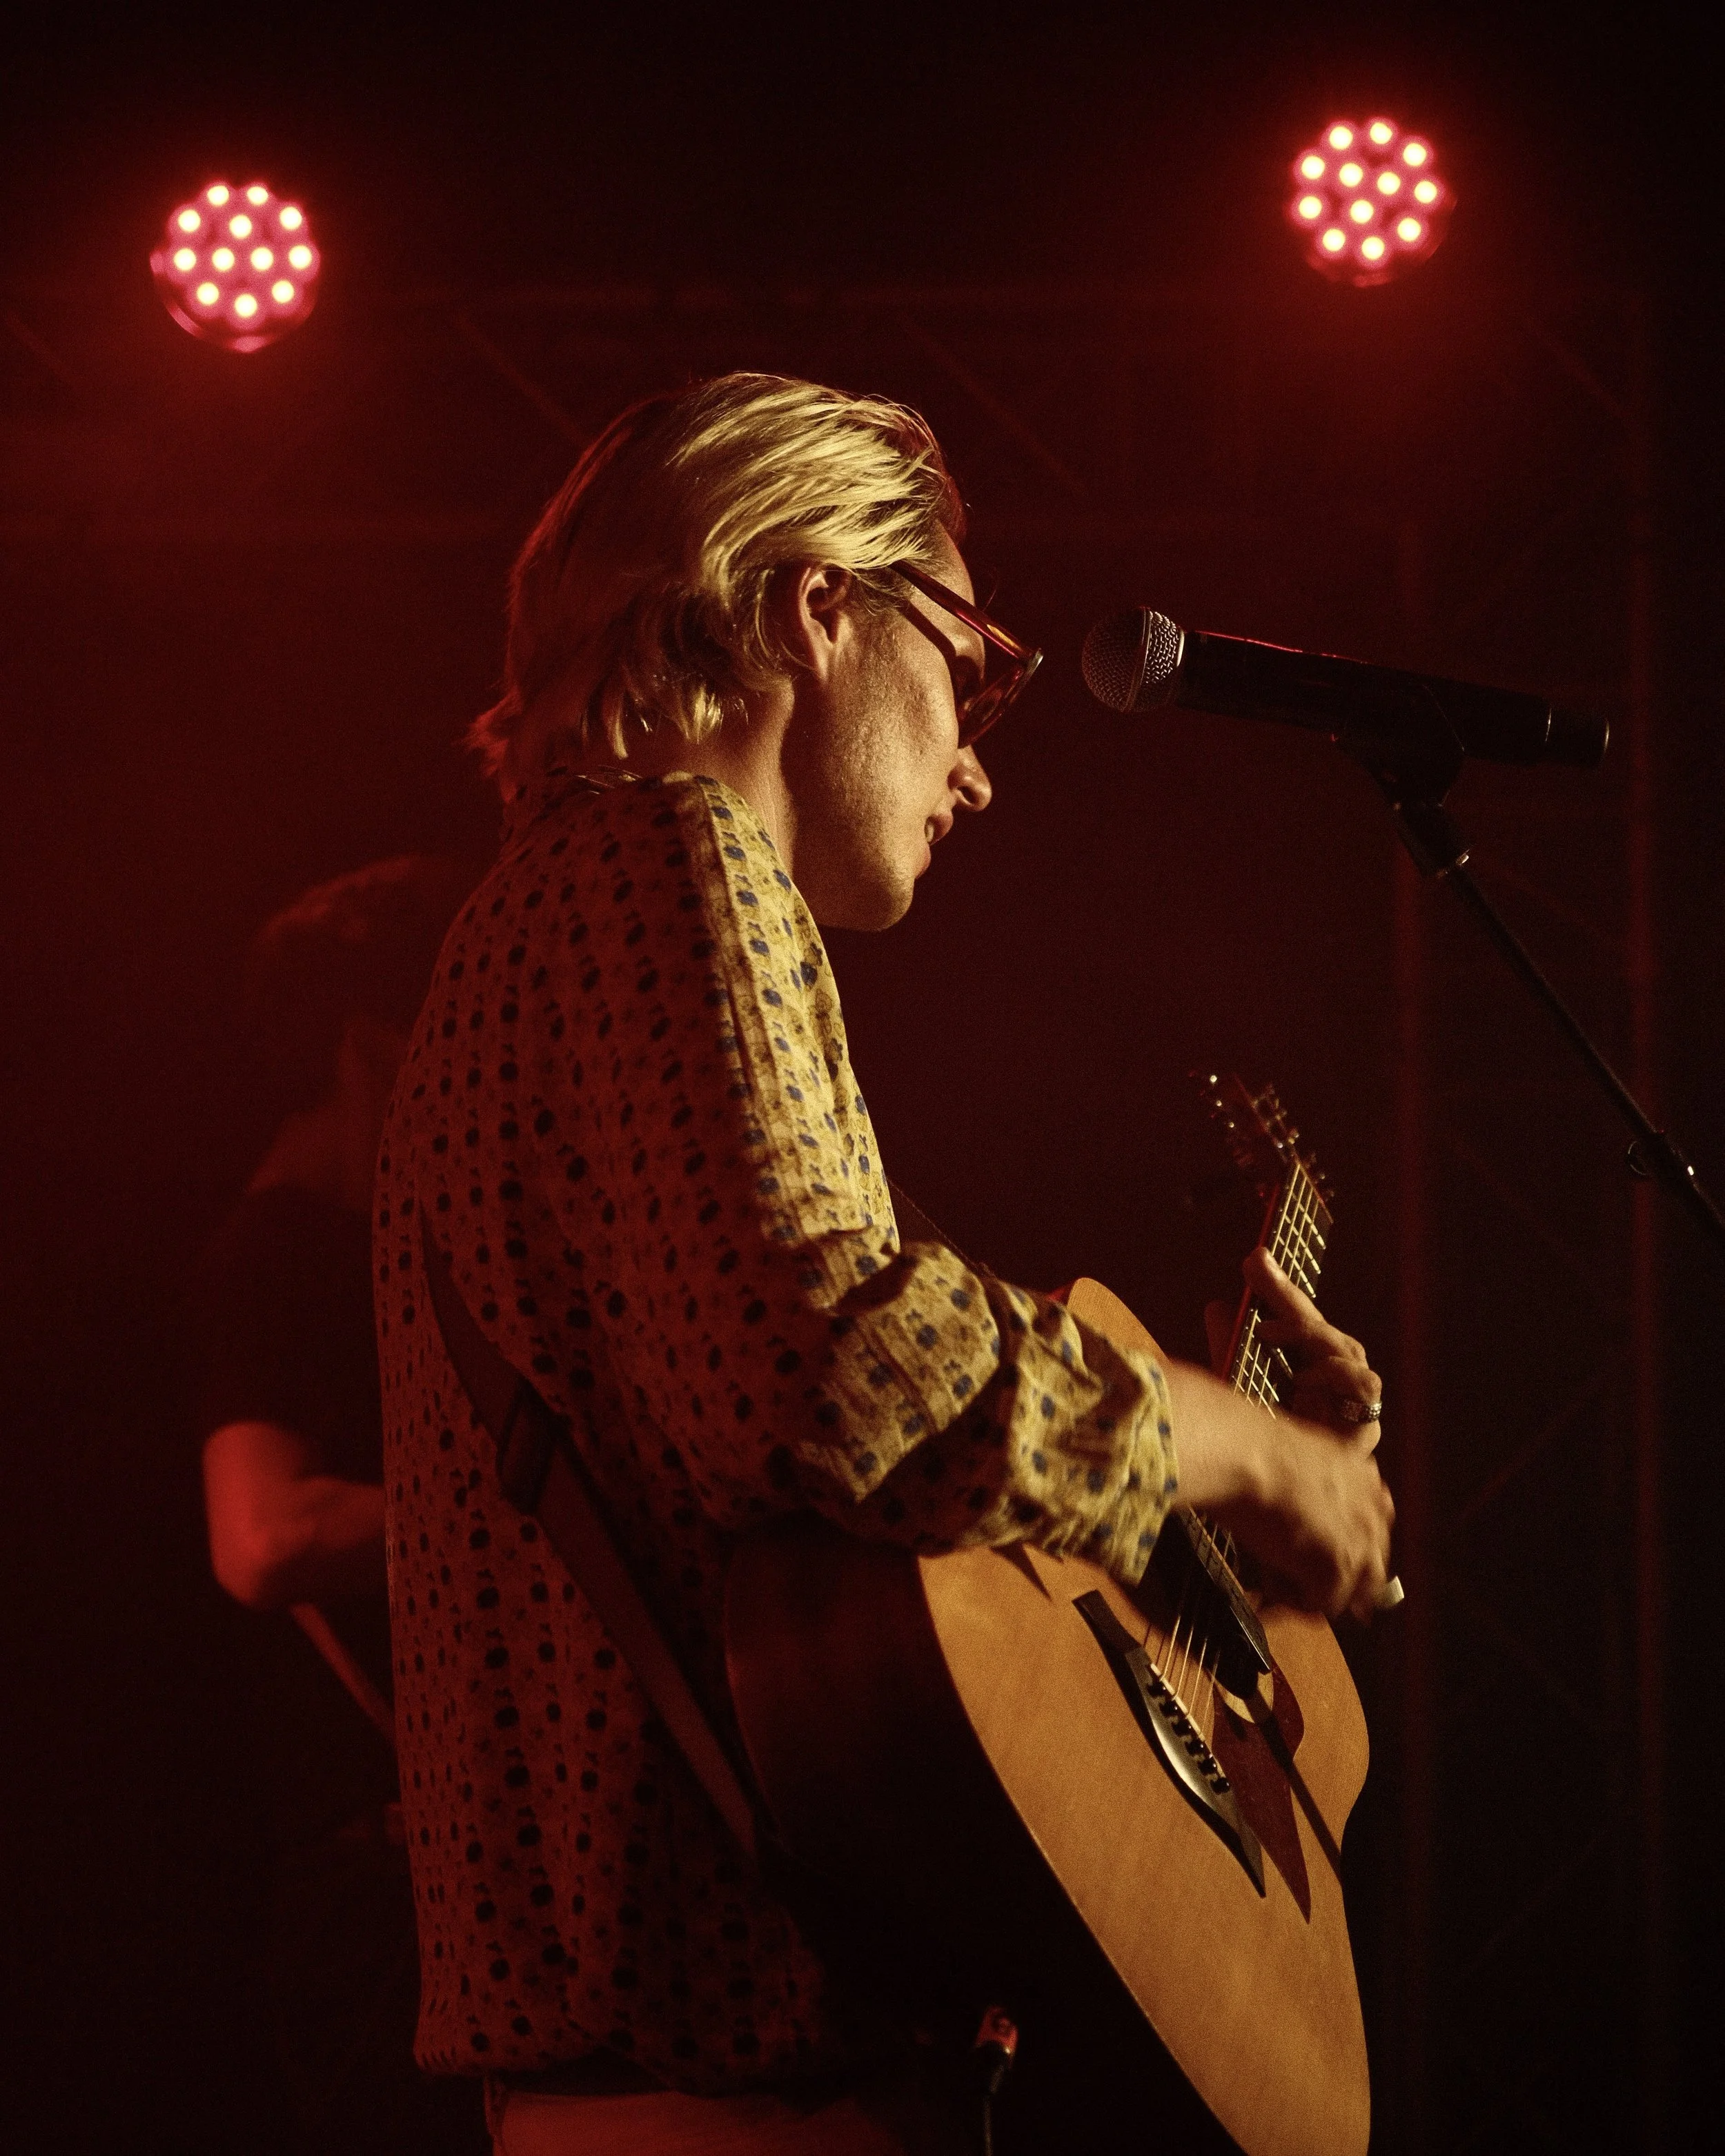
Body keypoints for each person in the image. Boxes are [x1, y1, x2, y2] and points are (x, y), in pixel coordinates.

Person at [373, 373, 1394, 2153]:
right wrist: (1241, 1446)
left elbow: (813, 1455)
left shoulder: (576, 911)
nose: (981, 757)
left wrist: (1185, 1515)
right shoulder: (668, 856)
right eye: (973, 664)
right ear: (812, 602)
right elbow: (834, 1365)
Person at [195, 855, 486, 2156]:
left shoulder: (368, 1259)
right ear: (379, 1046)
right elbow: (263, 1538)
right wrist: (527, 1517)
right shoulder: (275, 1256)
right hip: (385, 1898)